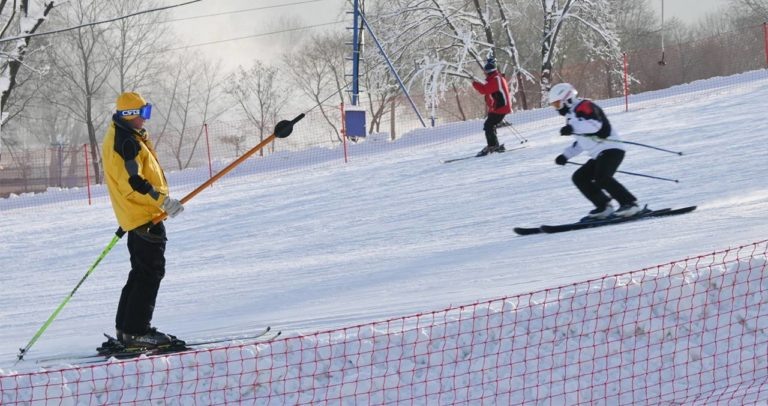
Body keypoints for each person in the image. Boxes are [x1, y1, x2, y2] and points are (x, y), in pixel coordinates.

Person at [102, 91, 185, 348]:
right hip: (144, 215)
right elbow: (134, 182)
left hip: (137, 214)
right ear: (129, 114)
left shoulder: (126, 135)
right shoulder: (126, 141)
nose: (145, 119)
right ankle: (137, 332)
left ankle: (127, 329)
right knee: (150, 272)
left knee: (141, 272)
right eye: (143, 113)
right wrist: (162, 201)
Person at [548, 83, 642, 219]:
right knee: (580, 177)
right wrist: (565, 155)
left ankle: (630, 204)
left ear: (568, 99)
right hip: (599, 154)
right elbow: (581, 141)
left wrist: (572, 128)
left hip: (612, 150)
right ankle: (604, 206)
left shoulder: (585, 106)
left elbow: (595, 125)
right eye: (554, 106)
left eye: (558, 104)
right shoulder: (571, 116)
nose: (557, 109)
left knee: (602, 178)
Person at [472, 56, 512, 156]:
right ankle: (495, 145)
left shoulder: (496, 80)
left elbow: (484, 90)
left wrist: (474, 83)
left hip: (501, 108)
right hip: (499, 107)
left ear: (489, 72)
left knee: (488, 125)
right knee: (490, 125)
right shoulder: (496, 78)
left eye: (485, 72)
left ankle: (492, 146)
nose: (484, 73)